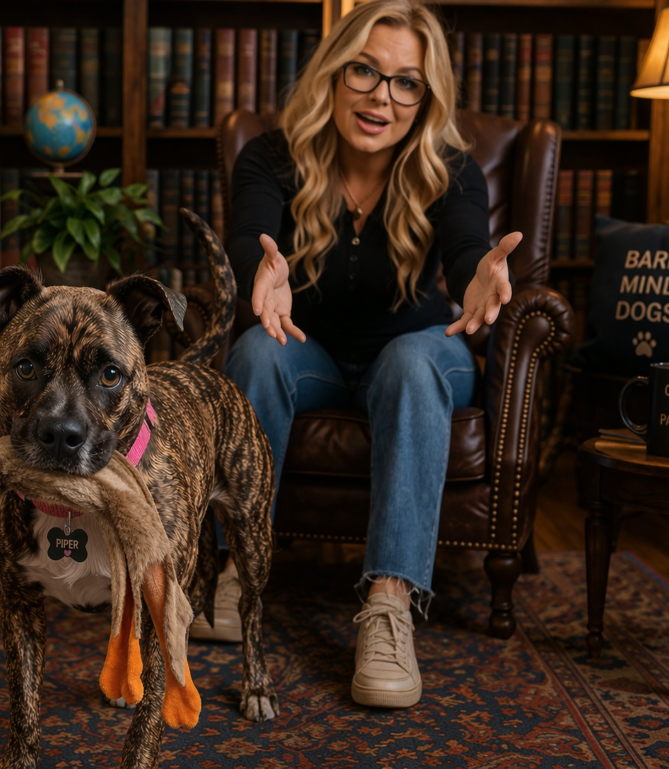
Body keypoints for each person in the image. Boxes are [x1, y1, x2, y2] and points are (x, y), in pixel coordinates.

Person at [189, 0, 522, 710]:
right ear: (334, 72)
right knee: (257, 352)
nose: (382, 96)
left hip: (418, 356)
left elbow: (467, 247)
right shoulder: (271, 155)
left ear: (424, 97)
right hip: (309, 352)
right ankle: (235, 571)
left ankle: (389, 604)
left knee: (410, 361)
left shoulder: (449, 167)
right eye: (366, 71)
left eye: (406, 82)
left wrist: (480, 276)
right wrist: (259, 270)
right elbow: (251, 235)